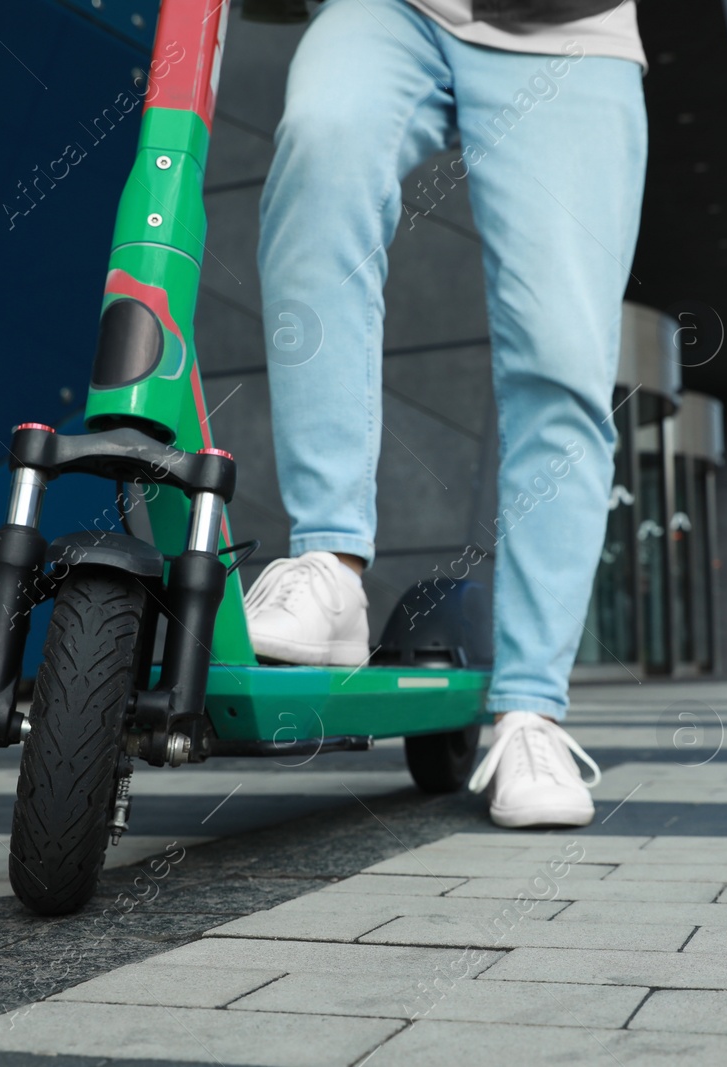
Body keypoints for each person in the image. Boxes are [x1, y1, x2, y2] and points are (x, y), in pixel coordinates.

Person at [242, 0, 646, 828]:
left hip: (571, 30)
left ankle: (531, 711)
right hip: (393, 10)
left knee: (561, 358)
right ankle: (330, 565)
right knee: (324, 145)